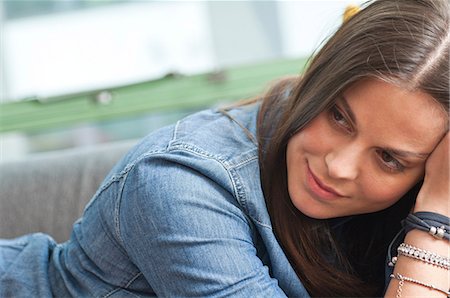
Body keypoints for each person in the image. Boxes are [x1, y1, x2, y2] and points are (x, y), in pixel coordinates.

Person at [1, 0, 449, 296]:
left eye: (389, 159)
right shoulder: (178, 187)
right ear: (318, 78)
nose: (338, 166)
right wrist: (435, 226)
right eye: (337, 116)